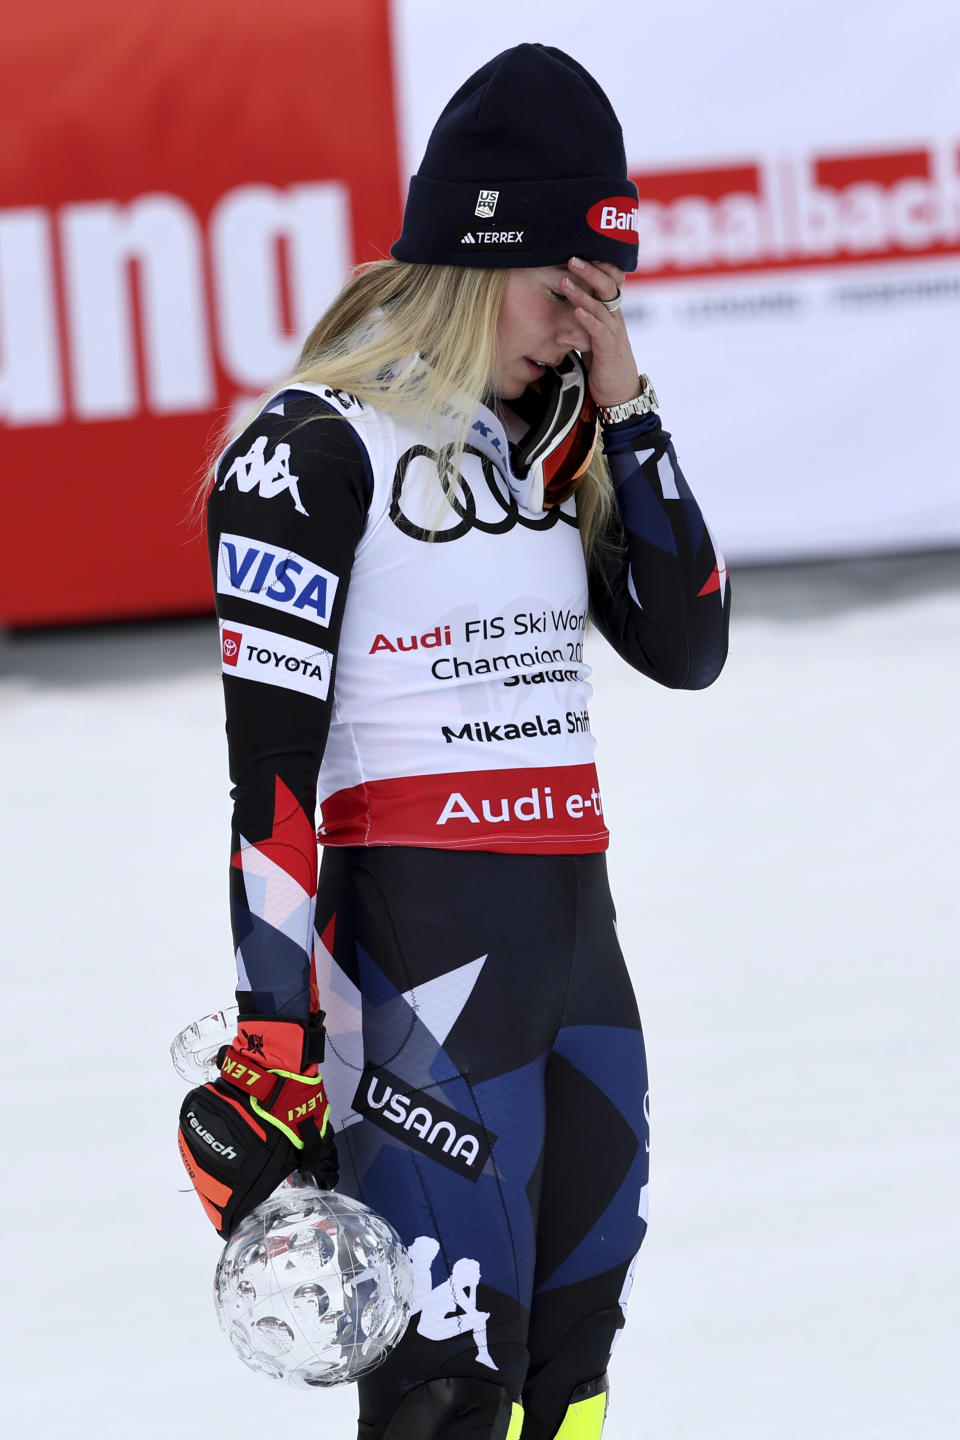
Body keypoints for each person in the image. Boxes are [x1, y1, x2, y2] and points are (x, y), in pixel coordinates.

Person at [177, 42, 730, 1440]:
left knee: (574, 1366)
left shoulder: (552, 447)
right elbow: (270, 785)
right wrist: (273, 1040)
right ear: (479, 254)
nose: (578, 328)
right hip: (419, 975)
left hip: (578, 963)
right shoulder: (310, 448)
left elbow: (689, 644)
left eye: (607, 301)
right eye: (564, 293)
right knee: (445, 1389)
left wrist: (626, 405)